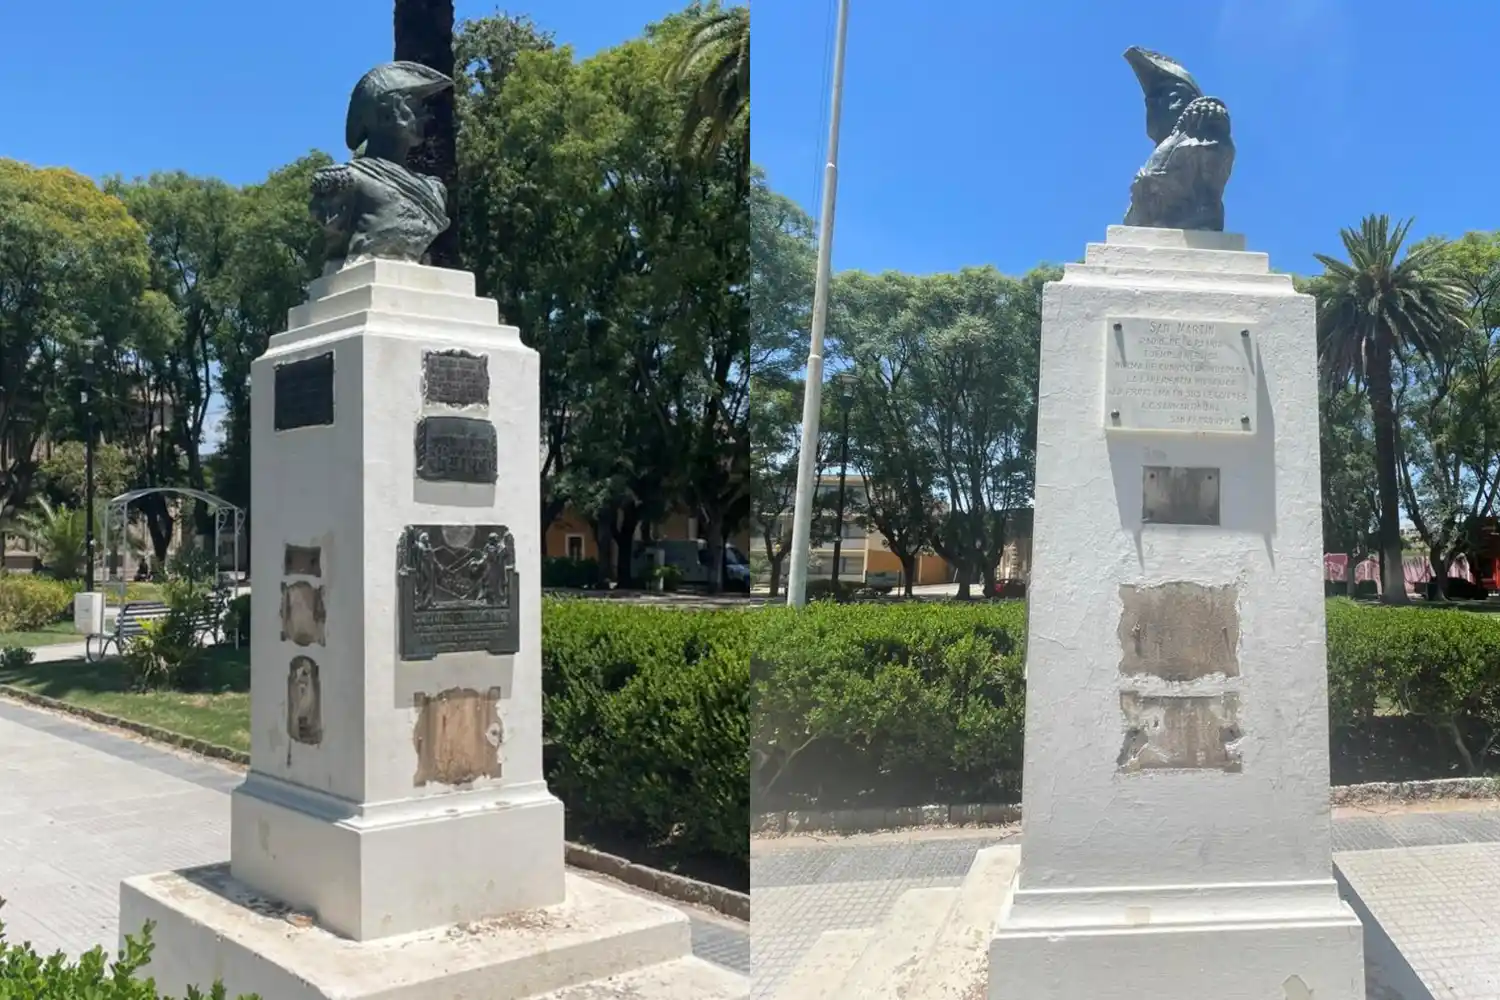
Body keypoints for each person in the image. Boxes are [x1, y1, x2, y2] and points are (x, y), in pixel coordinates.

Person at [310, 61, 454, 265]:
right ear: (387, 112)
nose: (425, 115)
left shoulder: (434, 190)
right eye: (414, 104)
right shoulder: (344, 182)